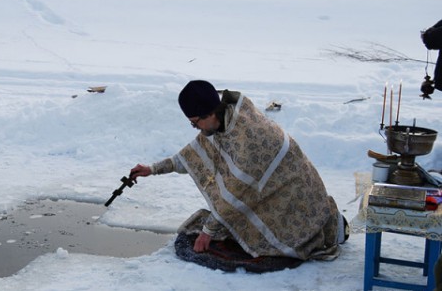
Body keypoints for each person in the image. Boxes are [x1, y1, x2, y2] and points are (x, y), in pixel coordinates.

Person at [130, 80, 347, 264]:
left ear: (209, 113)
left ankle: (328, 230)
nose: (195, 129)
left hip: (292, 198)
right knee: (234, 225)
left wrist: (208, 232)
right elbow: (193, 155)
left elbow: (236, 195)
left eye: (195, 123)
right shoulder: (223, 120)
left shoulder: (248, 138)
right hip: (274, 190)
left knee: (269, 241)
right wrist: (152, 169)